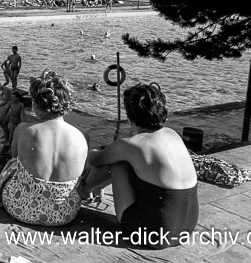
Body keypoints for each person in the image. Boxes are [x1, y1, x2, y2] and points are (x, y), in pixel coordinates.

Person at [79, 82, 199, 248]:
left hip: (150, 233)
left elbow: (94, 159)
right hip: (187, 227)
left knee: (118, 160)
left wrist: (88, 150)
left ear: (130, 118)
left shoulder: (131, 145)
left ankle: (84, 190)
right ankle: (91, 189)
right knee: (124, 156)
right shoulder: (173, 135)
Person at [0, 70, 87, 227]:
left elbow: (16, 160)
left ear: (36, 104)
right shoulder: (82, 136)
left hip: (21, 208)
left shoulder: (24, 130)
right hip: (64, 213)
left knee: (13, 164)